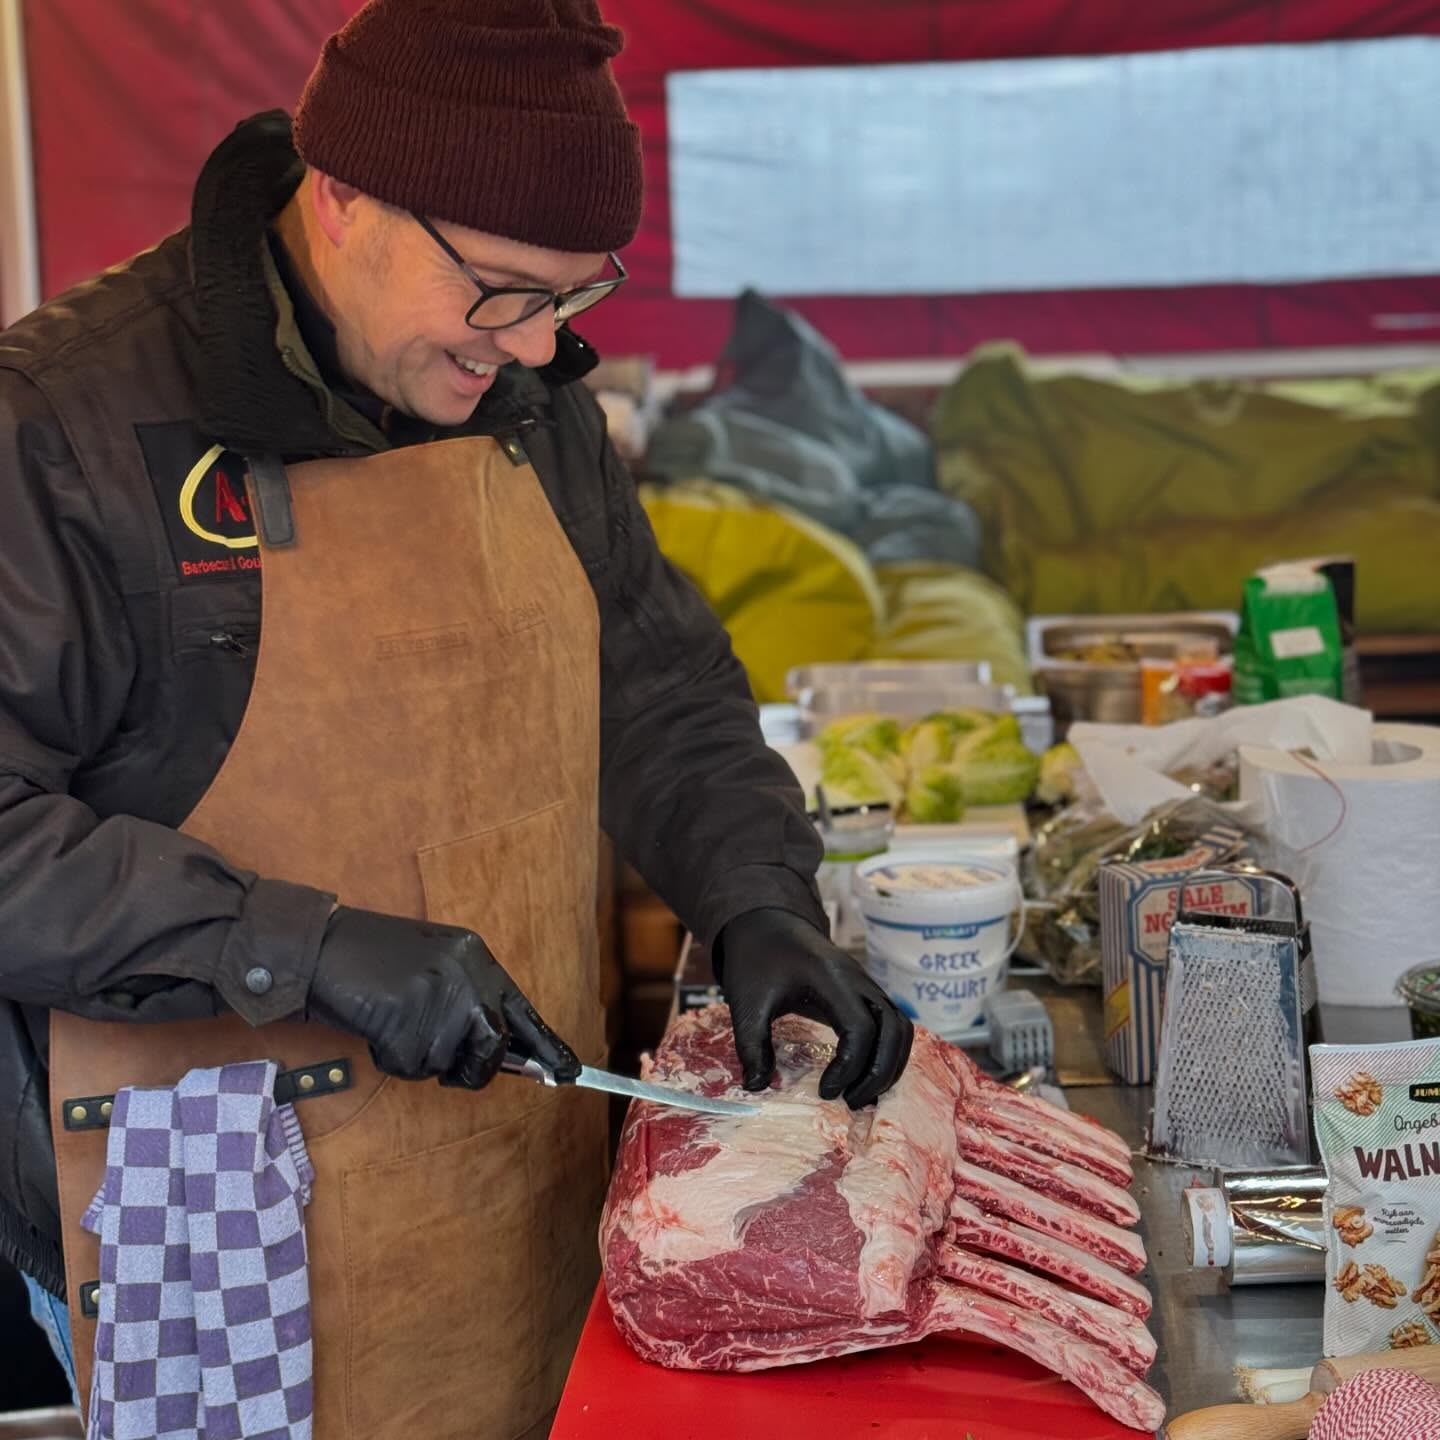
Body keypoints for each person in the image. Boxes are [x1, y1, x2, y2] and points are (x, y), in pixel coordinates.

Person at [0, 1, 913, 1434]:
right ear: (344, 196)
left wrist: (757, 900)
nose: (538, 346)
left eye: (572, 297)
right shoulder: (62, 427)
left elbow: (657, 687)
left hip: (509, 1186)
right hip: (199, 1212)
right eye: (500, 291)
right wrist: (307, 946)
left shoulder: (525, 406)